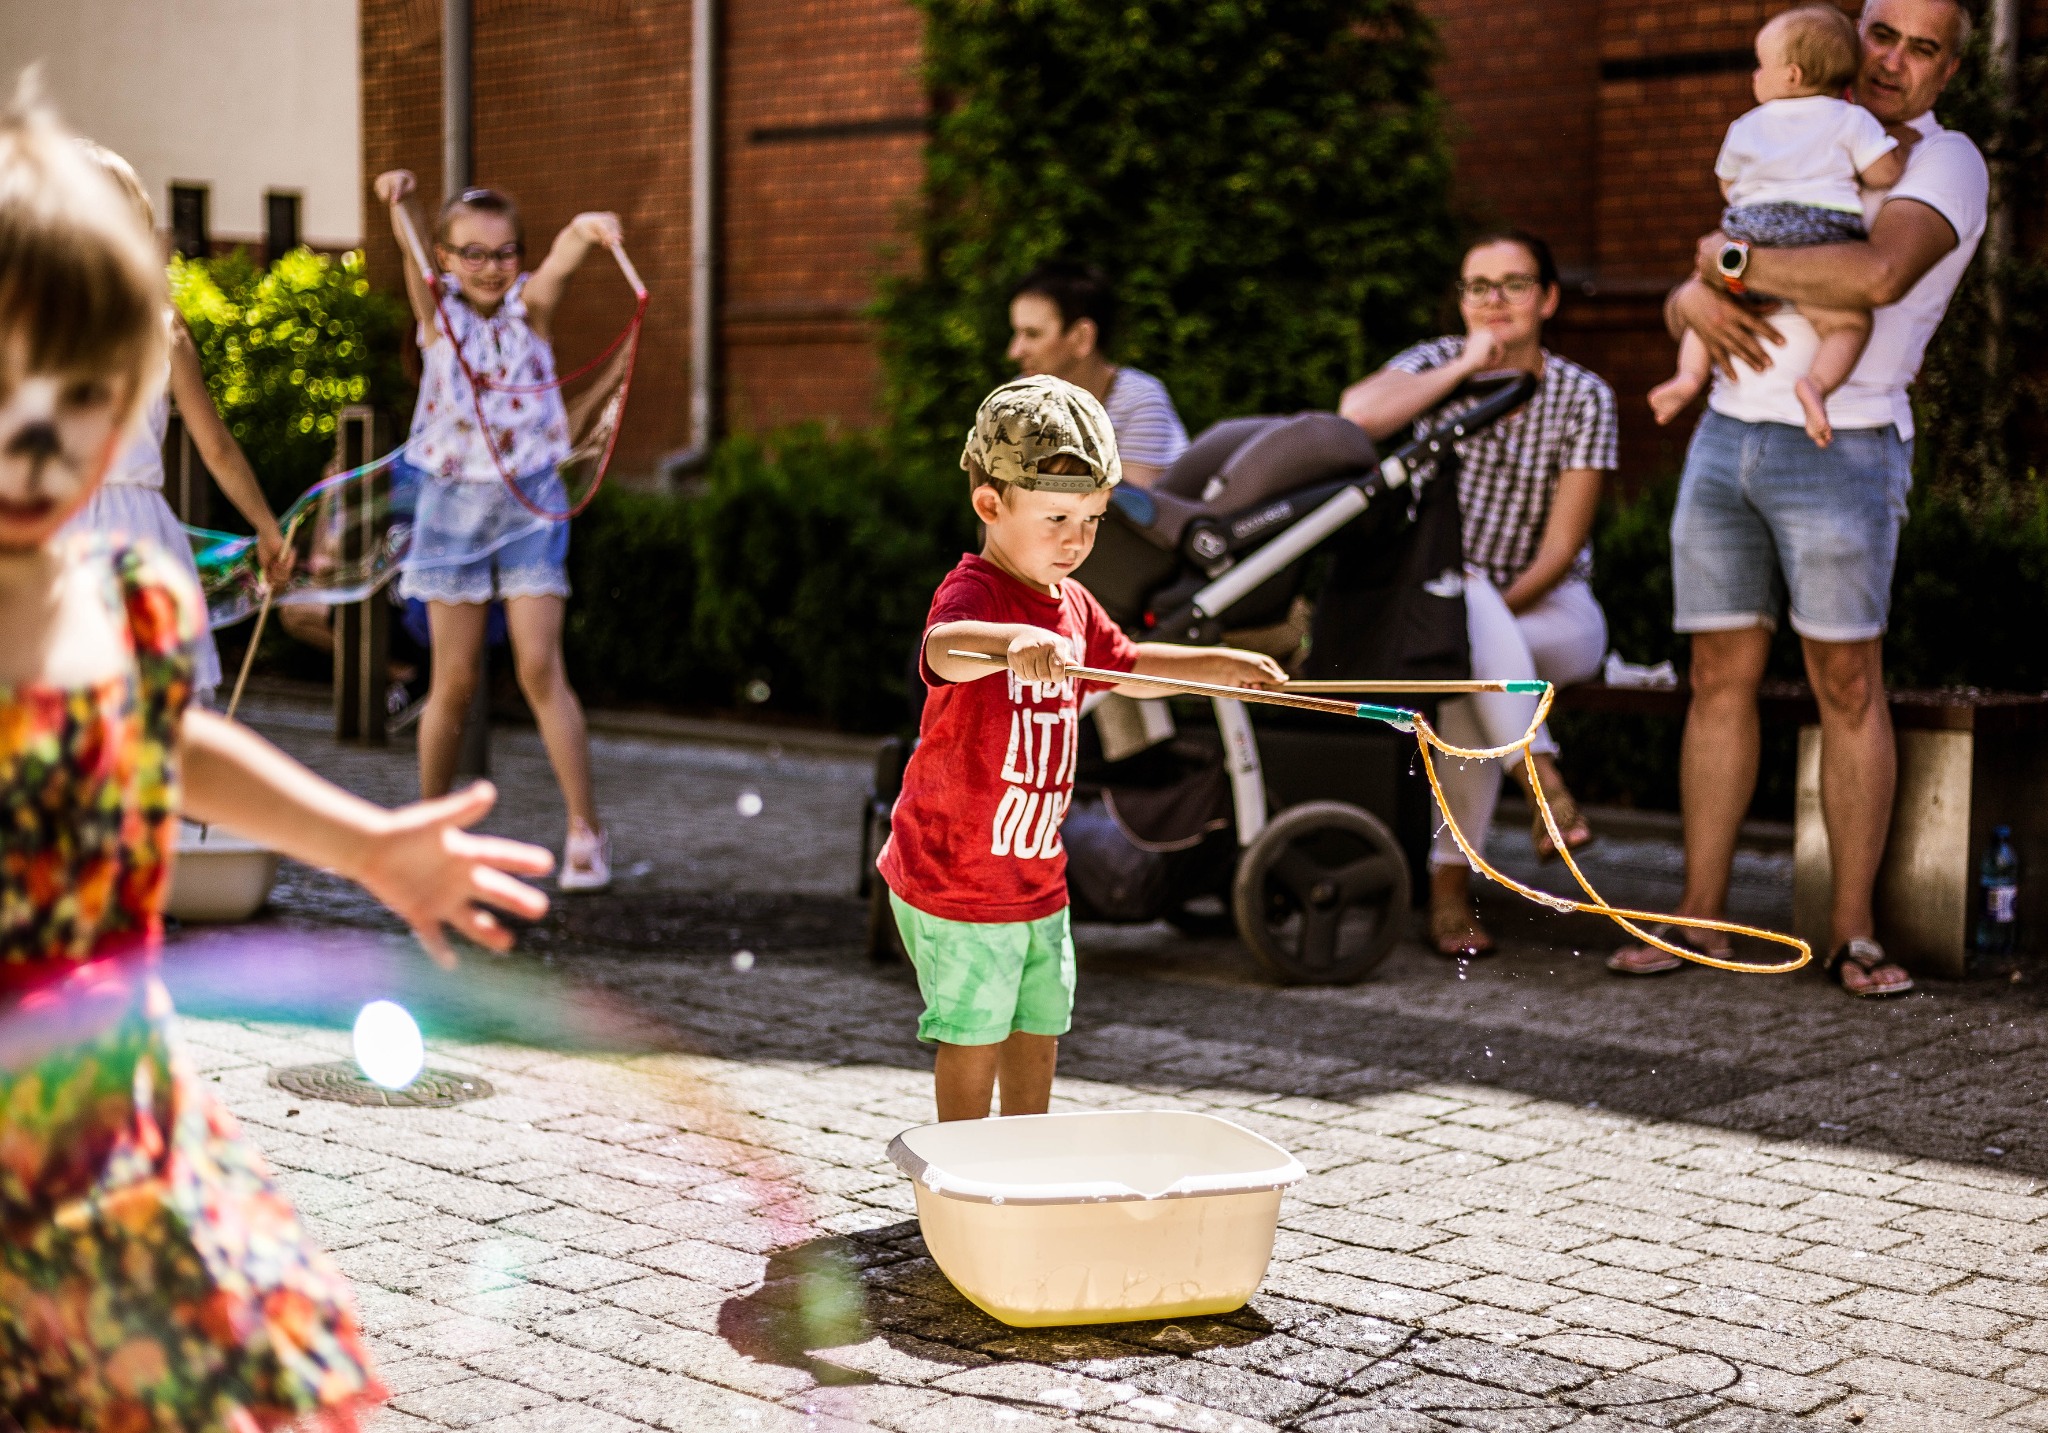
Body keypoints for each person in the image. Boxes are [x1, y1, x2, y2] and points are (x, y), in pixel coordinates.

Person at [0, 90, 553, 1431]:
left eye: (79, 397)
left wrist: (367, 845)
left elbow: (174, 740)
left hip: (105, 1104)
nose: (38, 438)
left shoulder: (121, 602)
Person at [1611, 0, 1985, 995]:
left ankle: (1852, 932)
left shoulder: (1941, 164)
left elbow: (1870, 272)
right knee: (1714, 678)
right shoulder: (1793, 130)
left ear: (1946, 71)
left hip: (1844, 445)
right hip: (1724, 432)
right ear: (1850, 33)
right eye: (1881, 35)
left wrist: (1719, 268)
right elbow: (1696, 281)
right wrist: (1690, 293)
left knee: (1846, 684)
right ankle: (1697, 918)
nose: (1893, 61)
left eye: (1922, 49)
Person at [877, 375, 1285, 1121]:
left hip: (1037, 875)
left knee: (1040, 1023)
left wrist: (1216, 669)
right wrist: (1013, 643)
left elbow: (1125, 669)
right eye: (1057, 516)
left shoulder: (1072, 603)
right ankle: (965, 1176)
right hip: (956, 875)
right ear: (990, 505)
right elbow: (945, 649)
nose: (1076, 539)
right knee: (973, 1031)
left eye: (1092, 519)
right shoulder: (976, 595)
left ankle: (1026, 1154)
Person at [1340, 230, 1618, 958]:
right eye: (1477, 287)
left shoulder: (1583, 395)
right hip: (1448, 608)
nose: (1494, 301)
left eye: (1514, 284)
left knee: (1467, 643)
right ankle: (1541, 779)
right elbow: (1356, 414)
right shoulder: (1437, 363)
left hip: (1552, 612)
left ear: (1549, 297)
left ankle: (1451, 885)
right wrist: (1466, 363)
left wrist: (1481, 615)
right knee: (1467, 663)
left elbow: (1561, 551)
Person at [374, 169, 615, 891]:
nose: (489, 267)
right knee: (453, 678)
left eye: (505, 252)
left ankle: (584, 831)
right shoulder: (436, 317)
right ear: (446, 259)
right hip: (450, 505)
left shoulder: (529, 311)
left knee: (540, 666)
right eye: (471, 253)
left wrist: (586, 228)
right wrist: (404, 202)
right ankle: (430, 830)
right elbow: (412, 241)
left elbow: (565, 262)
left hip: (527, 504)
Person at [60, 141, 294, 703]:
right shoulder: (162, 326)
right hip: (140, 528)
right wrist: (268, 529)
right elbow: (215, 447)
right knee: (157, 702)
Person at [1648, 5, 1910, 448]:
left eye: (1760, 65)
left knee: (1706, 296)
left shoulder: (1746, 124)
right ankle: (1816, 386)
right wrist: (1898, 149)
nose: (1755, 76)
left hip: (1750, 233)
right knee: (1848, 325)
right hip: (1818, 240)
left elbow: (1729, 185)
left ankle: (1687, 377)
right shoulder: (1852, 120)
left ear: (1790, 74)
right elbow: (1884, 175)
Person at [1007, 262, 1189, 487]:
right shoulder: (1019, 397)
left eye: (1032, 334)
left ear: (1082, 337)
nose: (1014, 352)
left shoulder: (1139, 401)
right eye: (1016, 333)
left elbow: (1135, 514)